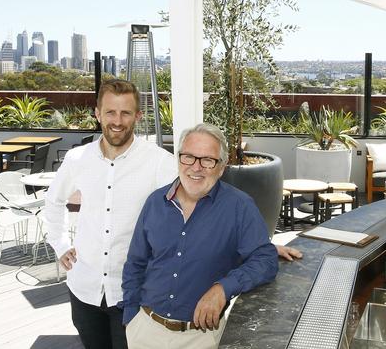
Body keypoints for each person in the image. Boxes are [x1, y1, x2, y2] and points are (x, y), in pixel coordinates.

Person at [44, 79, 177, 349]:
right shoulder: (77, 159)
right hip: (84, 288)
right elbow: (53, 200)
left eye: (126, 113)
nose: (117, 121)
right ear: (97, 113)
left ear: (138, 116)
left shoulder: (159, 162)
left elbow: (196, 206)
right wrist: (60, 244)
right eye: (110, 112)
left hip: (133, 293)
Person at [122, 123, 279, 349]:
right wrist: (131, 317)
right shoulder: (155, 202)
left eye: (207, 160)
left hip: (200, 338)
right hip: (145, 331)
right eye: (189, 157)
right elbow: (135, 263)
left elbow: (265, 259)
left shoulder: (239, 206)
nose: (196, 168)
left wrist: (222, 288)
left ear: (221, 167)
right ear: (179, 159)